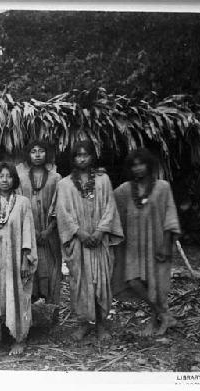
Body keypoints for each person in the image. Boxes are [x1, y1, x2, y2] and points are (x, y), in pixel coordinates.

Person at [54, 140, 123, 341]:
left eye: (86, 154)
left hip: (100, 242)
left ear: (93, 156)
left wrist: (100, 232)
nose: (82, 159)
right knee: (79, 283)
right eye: (78, 155)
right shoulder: (64, 184)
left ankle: (102, 324)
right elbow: (63, 214)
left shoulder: (103, 181)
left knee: (101, 281)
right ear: (72, 158)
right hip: (79, 243)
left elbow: (110, 207)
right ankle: (83, 323)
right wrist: (80, 233)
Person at [112, 148, 181, 336]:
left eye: (141, 164)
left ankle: (154, 321)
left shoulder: (162, 187)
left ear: (149, 165)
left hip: (158, 244)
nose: (138, 168)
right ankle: (165, 315)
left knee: (155, 285)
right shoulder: (126, 189)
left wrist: (166, 245)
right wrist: (98, 177)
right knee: (133, 281)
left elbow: (170, 216)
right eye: (134, 165)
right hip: (134, 246)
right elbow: (108, 202)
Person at [0, 162, 38, 355]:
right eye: (0, 176)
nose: (4, 180)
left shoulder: (22, 203)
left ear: (14, 179)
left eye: (8, 176)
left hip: (14, 260)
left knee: (17, 296)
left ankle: (19, 338)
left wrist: (24, 260)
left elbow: (28, 233)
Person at [16, 140, 62, 304]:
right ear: (28, 155)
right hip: (28, 232)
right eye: (33, 151)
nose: (37, 154)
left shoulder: (56, 178)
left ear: (47, 154)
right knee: (30, 267)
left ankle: (49, 307)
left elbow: (60, 206)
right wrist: (32, 231)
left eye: (41, 151)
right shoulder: (20, 179)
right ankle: (31, 307)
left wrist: (49, 230)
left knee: (49, 269)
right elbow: (18, 207)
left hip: (49, 233)